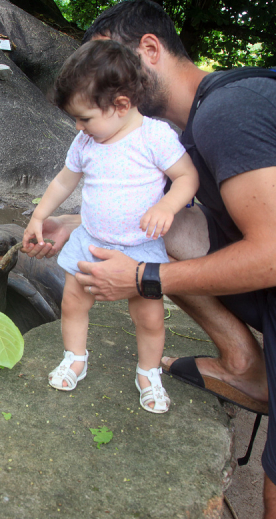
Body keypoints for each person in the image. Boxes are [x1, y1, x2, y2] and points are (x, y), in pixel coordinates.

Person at [22, 0, 276, 518]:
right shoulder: (191, 123)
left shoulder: (232, 111)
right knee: (171, 227)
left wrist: (143, 277)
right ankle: (246, 366)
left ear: (148, 52)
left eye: (105, 65)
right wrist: (76, 223)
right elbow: (166, 212)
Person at [23, 39, 199, 414]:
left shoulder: (154, 137)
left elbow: (186, 177)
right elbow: (63, 181)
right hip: (91, 239)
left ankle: (148, 372)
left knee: (149, 316)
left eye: (84, 117)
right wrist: (40, 215)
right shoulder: (86, 141)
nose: (78, 126)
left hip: (140, 245)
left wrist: (168, 204)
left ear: (120, 105)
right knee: (73, 302)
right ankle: (75, 358)